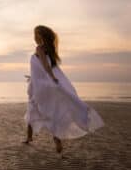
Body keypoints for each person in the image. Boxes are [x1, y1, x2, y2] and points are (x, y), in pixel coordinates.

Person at [23, 25, 104, 153]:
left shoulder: (39, 49)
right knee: (50, 111)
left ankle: (29, 138)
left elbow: (45, 66)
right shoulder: (50, 51)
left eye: (36, 34)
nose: (35, 37)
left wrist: (52, 77)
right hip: (40, 83)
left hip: (40, 85)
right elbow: (44, 67)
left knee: (33, 108)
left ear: (40, 36)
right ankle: (53, 139)